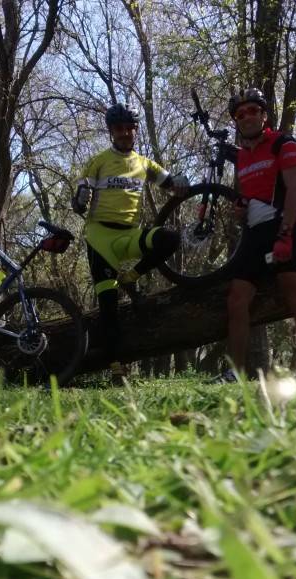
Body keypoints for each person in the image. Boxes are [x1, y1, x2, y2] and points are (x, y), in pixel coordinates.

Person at [72, 103, 188, 384]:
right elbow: (80, 192)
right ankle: (116, 369)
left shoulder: (145, 163)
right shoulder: (98, 161)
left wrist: (182, 183)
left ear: (135, 130)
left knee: (170, 238)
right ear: (111, 131)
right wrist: (80, 198)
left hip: (130, 235)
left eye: (129, 128)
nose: (124, 133)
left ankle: (132, 275)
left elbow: (170, 182)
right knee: (108, 305)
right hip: (101, 239)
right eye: (118, 129)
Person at [219, 88, 296, 381]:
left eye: (253, 111)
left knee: (293, 292)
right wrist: (241, 205)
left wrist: (286, 234)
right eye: (240, 114)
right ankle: (234, 372)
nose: (247, 117)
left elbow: (294, 191)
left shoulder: (282, 143)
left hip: (282, 224)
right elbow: (252, 194)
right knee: (236, 300)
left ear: (264, 115)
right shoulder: (243, 157)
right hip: (254, 232)